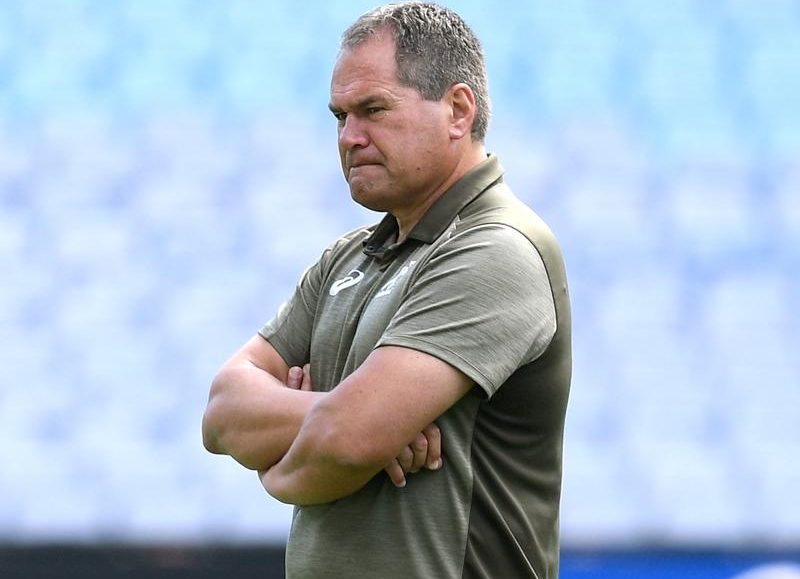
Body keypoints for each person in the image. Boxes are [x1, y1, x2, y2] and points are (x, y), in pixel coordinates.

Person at [202, 2, 572, 577]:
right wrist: (331, 414)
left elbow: (346, 442)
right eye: (339, 117)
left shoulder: (497, 249)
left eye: (373, 109)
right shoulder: (346, 258)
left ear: (457, 110)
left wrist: (281, 464)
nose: (350, 137)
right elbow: (222, 413)